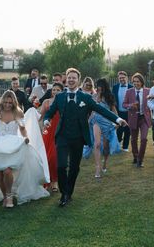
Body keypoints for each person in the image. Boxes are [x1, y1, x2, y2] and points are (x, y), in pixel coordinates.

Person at [43, 68, 127, 207]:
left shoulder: (86, 98)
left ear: (78, 81)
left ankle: (69, 192)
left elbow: (101, 110)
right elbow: (50, 113)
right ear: (66, 79)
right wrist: (47, 120)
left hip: (78, 137)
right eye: (69, 77)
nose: (71, 80)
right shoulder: (60, 97)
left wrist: (117, 119)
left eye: (74, 78)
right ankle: (64, 193)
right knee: (61, 166)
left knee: (75, 167)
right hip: (62, 136)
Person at [85, 78, 122, 178]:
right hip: (95, 121)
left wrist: (118, 121)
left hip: (107, 123)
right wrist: (88, 121)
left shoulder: (109, 97)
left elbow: (114, 111)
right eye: (97, 86)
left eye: (100, 86)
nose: (98, 88)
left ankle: (105, 162)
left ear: (104, 87)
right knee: (97, 144)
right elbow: (92, 111)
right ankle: (97, 168)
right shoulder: (93, 96)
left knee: (106, 148)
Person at [123, 73, 152, 167]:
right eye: (134, 81)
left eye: (138, 81)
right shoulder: (129, 92)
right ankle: (135, 156)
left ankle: (140, 159)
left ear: (142, 82)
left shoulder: (148, 91)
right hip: (133, 118)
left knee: (144, 139)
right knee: (134, 140)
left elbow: (152, 103)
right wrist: (131, 105)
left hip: (144, 118)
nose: (136, 83)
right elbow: (124, 104)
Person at [40, 82, 63, 192]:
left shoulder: (63, 102)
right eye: (54, 89)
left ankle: (55, 182)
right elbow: (41, 116)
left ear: (62, 91)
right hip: (47, 132)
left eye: (58, 90)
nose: (55, 92)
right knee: (46, 158)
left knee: (54, 158)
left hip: (59, 132)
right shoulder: (46, 102)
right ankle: (46, 181)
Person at [112, 71, 132, 152]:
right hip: (118, 112)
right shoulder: (115, 87)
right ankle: (118, 144)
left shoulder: (131, 87)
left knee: (128, 129)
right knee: (119, 129)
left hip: (129, 112)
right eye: (120, 78)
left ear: (126, 78)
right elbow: (112, 99)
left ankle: (125, 146)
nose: (121, 79)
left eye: (123, 77)